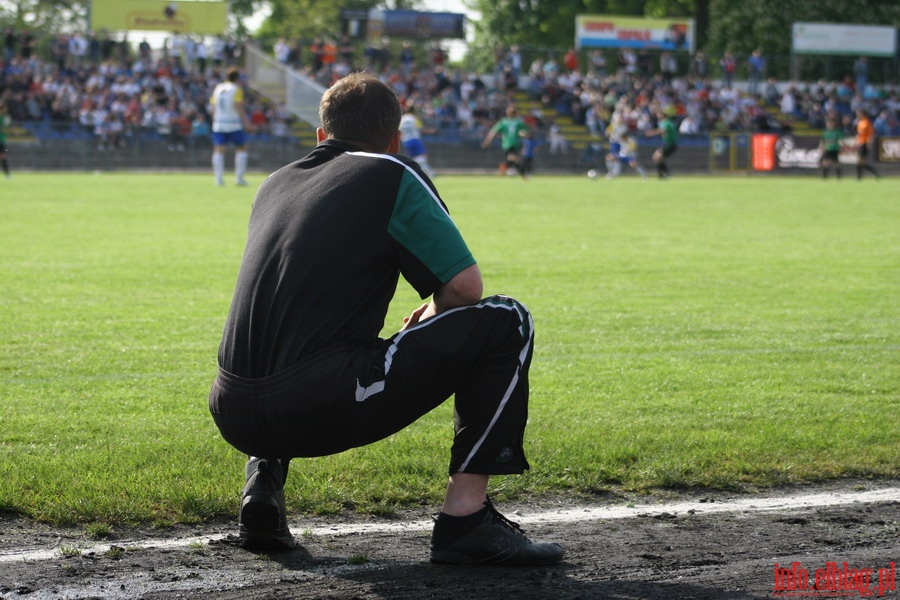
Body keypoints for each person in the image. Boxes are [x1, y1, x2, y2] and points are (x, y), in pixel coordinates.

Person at [208, 72, 564, 567]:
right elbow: (465, 287)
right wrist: (434, 310)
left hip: (230, 409)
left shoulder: (275, 182)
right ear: (395, 139)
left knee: (292, 327)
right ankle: (467, 519)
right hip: (316, 399)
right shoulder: (391, 170)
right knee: (506, 320)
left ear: (321, 136)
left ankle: (261, 493)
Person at [210, 67, 251, 186]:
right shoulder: (237, 89)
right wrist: (246, 122)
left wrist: (215, 120)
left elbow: (213, 106)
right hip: (233, 123)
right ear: (237, 78)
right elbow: (238, 106)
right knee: (241, 148)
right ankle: (239, 178)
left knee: (218, 150)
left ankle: (218, 179)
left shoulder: (218, 88)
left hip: (219, 123)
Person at [481, 104, 529, 175]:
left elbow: (493, 131)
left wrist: (487, 141)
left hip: (507, 143)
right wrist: (523, 134)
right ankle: (523, 172)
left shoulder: (503, 122)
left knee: (512, 158)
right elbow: (525, 132)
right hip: (513, 143)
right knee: (513, 158)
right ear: (516, 113)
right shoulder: (518, 122)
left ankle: (504, 169)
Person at [399, 105, 436, 179]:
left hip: (406, 141)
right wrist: (431, 131)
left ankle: (425, 172)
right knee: (423, 156)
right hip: (414, 139)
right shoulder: (414, 118)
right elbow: (421, 129)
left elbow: (400, 131)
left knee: (415, 158)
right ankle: (429, 173)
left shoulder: (402, 119)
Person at [645, 110, 678, 178]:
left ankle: (663, 173)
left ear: (663, 115)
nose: (657, 116)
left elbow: (662, 130)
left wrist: (651, 133)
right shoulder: (667, 122)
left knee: (657, 157)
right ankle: (663, 173)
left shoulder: (665, 122)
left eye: (659, 114)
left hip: (670, 143)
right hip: (669, 143)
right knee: (658, 158)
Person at [854, 109, 880, 180]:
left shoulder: (867, 123)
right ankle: (875, 174)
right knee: (862, 162)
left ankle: (859, 176)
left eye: (860, 114)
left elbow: (871, 134)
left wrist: (869, 143)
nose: (858, 116)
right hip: (861, 143)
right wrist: (857, 141)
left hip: (865, 143)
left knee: (860, 161)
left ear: (864, 115)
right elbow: (859, 134)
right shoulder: (860, 123)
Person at [0, 103, 10, 178]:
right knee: (3, 157)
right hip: (2, 141)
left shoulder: (5, 118)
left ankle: (7, 174)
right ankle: (7, 174)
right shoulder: (6, 118)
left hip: (2, 141)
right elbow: (6, 129)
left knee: (3, 156)